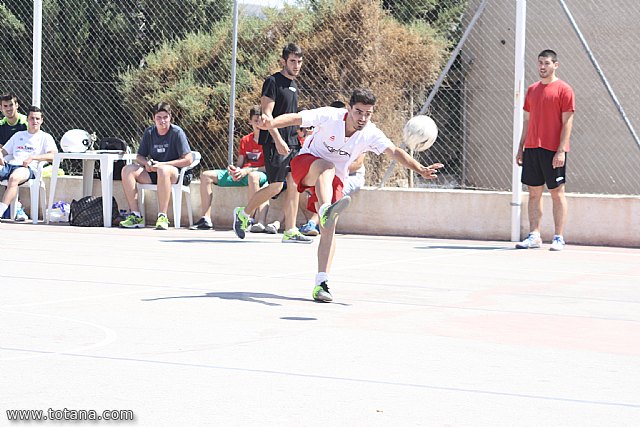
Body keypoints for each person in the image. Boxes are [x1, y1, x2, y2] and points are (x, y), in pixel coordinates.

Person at [260, 88, 444, 302]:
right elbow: (296, 118)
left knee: (328, 229)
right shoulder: (330, 116)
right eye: (358, 112)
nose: (363, 118)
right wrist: (271, 124)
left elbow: (394, 151)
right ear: (348, 109)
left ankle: (322, 283)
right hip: (306, 164)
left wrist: (420, 169)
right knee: (326, 167)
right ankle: (324, 208)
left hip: (334, 180)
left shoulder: (370, 133)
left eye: (368, 113)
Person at [232, 43, 312, 243]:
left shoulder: (294, 85)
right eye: (292, 61)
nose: (296, 65)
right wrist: (278, 140)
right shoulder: (272, 82)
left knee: (293, 184)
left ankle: (291, 229)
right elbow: (267, 116)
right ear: (283, 61)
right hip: (275, 141)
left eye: (299, 62)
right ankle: (244, 214)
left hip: (292, 141)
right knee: (276, 186)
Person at [515, 49, 575, 251]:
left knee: (557, 193)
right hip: (532, 148)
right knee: (533, 193)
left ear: (555, 65)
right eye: (540, 62)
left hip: (553, 150)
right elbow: (527, 121)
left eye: (547, 63)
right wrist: (521, 147)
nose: (542, 66)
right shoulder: (532, 90)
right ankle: (535, 236)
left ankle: (558, 237)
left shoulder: (564, 89)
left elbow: (567, 122)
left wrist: (560, 150)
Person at [190, 105, 274, 232]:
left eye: (260, 120)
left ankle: (249, 219)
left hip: (258, 174)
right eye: (255, 120)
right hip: (242, 173)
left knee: (253, 177)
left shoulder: (269, 140)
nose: (258, 123)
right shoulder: (245, 140)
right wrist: (234, 169)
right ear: (250, 121)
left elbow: (268, 168)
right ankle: (205, 219)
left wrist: (247, 170)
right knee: (206, 175)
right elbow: (240, 163)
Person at [119, 102, 193, 230]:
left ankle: (162, 216)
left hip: (175, 174)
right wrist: (146, 163)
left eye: (165, 117)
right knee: (127, 170)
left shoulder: (177, 132)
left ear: (170, 117)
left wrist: (163, 165)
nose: (162, 121)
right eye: (159, 117)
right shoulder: (149, 132)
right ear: (153, 118)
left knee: (163, 171)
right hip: (154, 172)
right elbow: (139, 156)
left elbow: (188, 159)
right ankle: (135, 215)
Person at [0, 106, 57, 219]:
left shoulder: (45, 137)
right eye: (32, 118)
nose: (34, 121)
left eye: (37, 118)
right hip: (10, 164)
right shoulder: (18, 135)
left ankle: (1, 210)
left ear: (41, 120)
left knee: (14, 178)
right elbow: (4, 151)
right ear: (27, 119)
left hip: (27, 168)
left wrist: (33, 157)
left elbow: (53, 155)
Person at [0, 93, 29, 221]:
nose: (9, 108)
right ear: (1, 108)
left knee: (13, 171)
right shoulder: (1, 124)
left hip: (24, 159)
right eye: (5, 106)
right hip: (6, 155)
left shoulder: (25, 122)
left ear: (17, 106)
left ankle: (17, 208)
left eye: (11, 105)